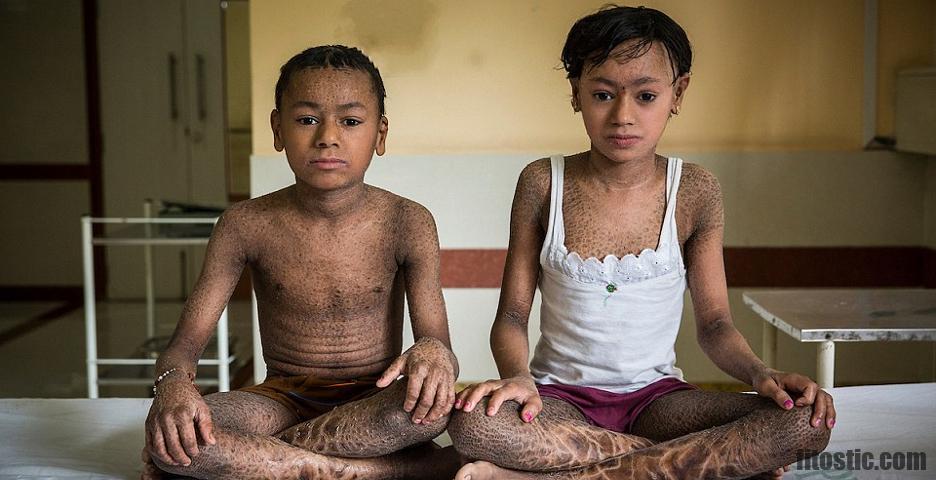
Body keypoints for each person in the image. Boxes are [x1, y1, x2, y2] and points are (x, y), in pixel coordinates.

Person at [448, 6, 833, 479]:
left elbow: (714, 325)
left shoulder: (695, 190)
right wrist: (520, 379)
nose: (623, 116)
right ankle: (684, 462)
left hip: (660, 402)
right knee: (471, 425)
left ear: (679, 93)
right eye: (603, 94)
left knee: (803, 424)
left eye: (646, 95)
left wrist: (759, 373)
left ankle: (546, 473)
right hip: (558, 402)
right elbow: (511, 317)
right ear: (576, 94)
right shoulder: (541, 183)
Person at [141, 45, 460, 479]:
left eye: (350, 121)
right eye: (306, 119)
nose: (327, 136)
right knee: (183, 433)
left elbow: (439, 345)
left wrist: (432, 355)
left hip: (376, 399)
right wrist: (173, 386)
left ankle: (263, 462)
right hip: (280, 400)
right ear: (277, 129)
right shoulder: (243, 223)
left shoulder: (408, 221)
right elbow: (184, 344)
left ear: (380, 134)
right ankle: (388, 472)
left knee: (425, 413)